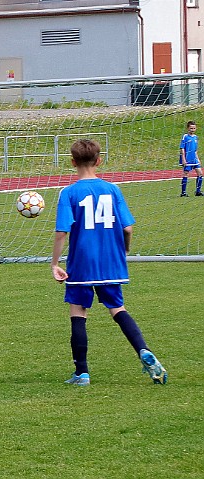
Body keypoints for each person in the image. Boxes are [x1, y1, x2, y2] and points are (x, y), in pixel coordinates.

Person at [51, 139, 167, 387]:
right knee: (118, 309)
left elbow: (62, 232)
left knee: (78, 314)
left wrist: (54, 263)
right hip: (110, 261)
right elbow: (128, 227)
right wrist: (124, 249)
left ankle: (82, 373)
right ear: (99, 161)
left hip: (81, 263)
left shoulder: (69, 193)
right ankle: (143, 350)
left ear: (72, 162)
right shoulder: (113, 189)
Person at [180, 120, 201, 197]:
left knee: (200, 173)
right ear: (188, 128)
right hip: (187, 158)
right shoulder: (185, 136)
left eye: (194, 128)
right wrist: (183, 159)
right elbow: (182, 148)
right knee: (186, 173)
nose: (192, 130)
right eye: (191, 128)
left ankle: (198, 191)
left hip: (194, 158)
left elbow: (195, 150)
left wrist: (198, 159)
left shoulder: (196, 137)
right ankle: (183, 192)